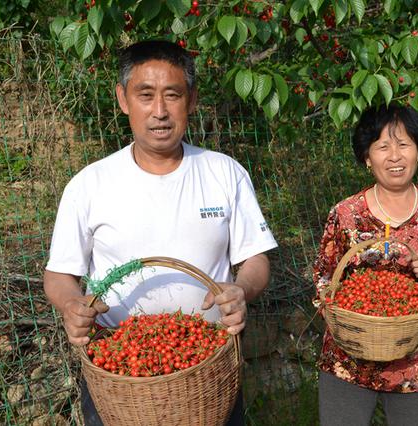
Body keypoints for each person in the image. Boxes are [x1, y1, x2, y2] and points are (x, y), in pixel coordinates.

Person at [43, 40, 278, 425]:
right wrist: (72, 305)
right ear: (123, 100)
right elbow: (59, 274)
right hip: (118, 364)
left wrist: (242, 289)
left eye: (173, 95)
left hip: (206, 361)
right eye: (145, 95)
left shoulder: (225, 173)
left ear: (192, 100)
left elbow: (255, 258)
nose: (160, 112)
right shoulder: (90, 184)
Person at [313, 104, 418, 425]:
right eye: (383, 146)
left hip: (417, 364)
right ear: (367, 158)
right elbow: (323, 282)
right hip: (349, 359)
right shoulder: (345, 214)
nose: (395, 156)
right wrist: (352, 317)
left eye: (404, 144)